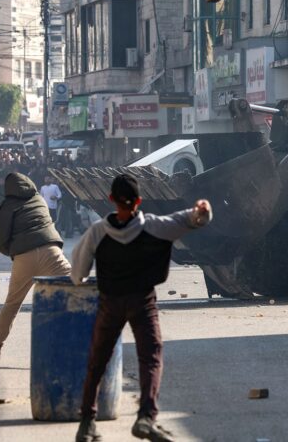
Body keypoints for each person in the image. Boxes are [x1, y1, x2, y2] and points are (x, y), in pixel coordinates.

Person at [72, 174, 212, 442]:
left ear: (111, 200)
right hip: (142, 302)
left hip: (110, 303)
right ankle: (146, 418)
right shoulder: (154, 227)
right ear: (139, 201)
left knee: (97, 360)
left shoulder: (98, 232)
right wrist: (201, 211)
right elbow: (188, 220)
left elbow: (78, 273)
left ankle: (86, 423)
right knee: (150, 357)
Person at [0, 173, 70, 363]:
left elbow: (1, 237)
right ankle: (91, 342)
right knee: (79, 288)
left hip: (24, 257)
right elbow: (35, 225)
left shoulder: (6, 205)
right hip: (51, 252)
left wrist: (10, 249)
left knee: (12, 304)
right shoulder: (39, 199)